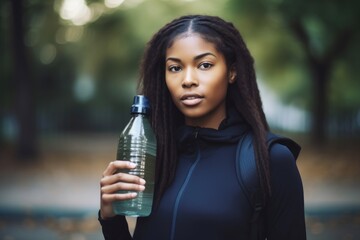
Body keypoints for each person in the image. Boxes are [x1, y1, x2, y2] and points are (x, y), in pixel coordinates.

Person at [98, 15, 306, 240]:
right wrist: (112, 220)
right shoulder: (155, 154)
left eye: (204, 65)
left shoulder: (270, 159)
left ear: (232, 72)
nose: (188, 80)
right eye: (175, 68)